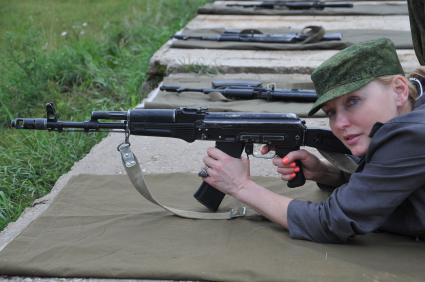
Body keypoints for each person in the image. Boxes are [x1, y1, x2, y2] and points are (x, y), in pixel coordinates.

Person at [201, 38, 425, 243]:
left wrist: (240, 186)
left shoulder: (410, 135)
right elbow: (391, 182)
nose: (339, 124)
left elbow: (332, 221)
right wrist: (328, 173)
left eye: (353, 101)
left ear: (399, 90)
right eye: (331, 112)